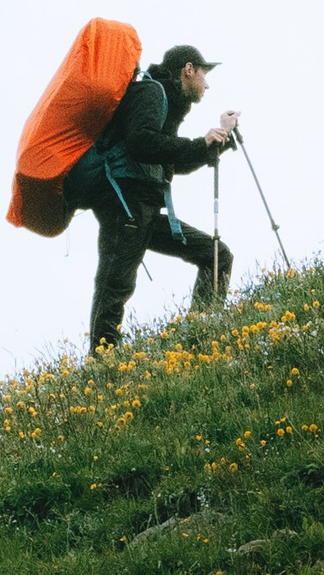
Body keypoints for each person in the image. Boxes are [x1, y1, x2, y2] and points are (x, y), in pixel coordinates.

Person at [68, 44, 243, 351]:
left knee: (217, 256)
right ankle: (103, 364)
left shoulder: (167, 106)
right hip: (126, 204)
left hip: (144, 206)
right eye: (204, 74)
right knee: (116, 283)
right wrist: (201, 142)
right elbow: (141, 143)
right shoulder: (150, 93)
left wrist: (217, 142)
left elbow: (173, 160)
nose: (207, 83)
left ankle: (203, 332)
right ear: (188, 69)